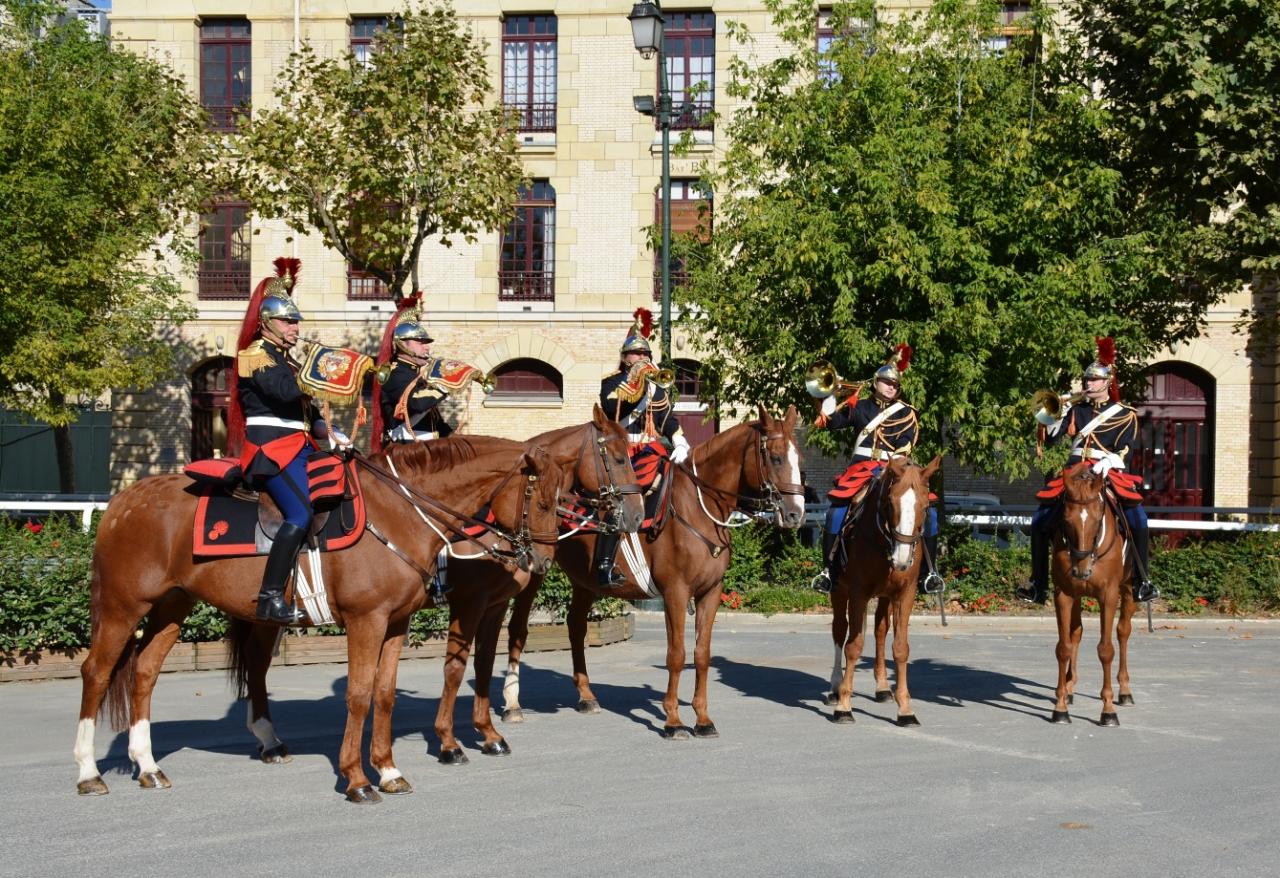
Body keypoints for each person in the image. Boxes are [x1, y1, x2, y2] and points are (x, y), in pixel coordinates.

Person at [1016, 337, 1156, 605]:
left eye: (1093, 380)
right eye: (1086, 380)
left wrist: (1107, 462)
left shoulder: (1125, 414)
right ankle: (1038, 584)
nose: (1088, 384)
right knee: (1039, 519)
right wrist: (1058, 415)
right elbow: (1051, 440)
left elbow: (1127, 449)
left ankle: (1142, 580)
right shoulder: (1076, 410)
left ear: (1107, 382)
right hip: (1075, 471)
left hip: (1106, 471)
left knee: (1138, 519)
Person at [228, 257, 330, 625]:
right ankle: (270, 597)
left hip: (300, 448)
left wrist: (333, 434)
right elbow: (286, 394)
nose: (295, 327)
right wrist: (320, 370)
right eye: (288, 321)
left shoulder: (286, 360)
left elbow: (306, 411)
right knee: (300, 512)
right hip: (271, 451)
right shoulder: (254, 356)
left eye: (296, 321)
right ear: (267, 323)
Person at [809, 345, 936, 593]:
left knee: (929, 512)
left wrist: (892, 468)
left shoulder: (907, 414)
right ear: (876, 383)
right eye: (887, 382)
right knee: (837, 509)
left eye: (895, 385)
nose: (891, 387)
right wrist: (830, 395)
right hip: (861, 469)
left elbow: (906, 444)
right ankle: (829, 570)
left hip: (894, 469)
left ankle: (928, 574)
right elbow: (833, 423)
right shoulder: (860, 407)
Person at [595, 308, 690, 586]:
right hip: (621, 452)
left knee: (678, 480)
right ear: (625, 358)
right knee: (619, 497)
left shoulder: (655, 387)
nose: (643, 358)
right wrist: (636, 379)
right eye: (637, 354)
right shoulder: (612, 382)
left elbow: (666, 418)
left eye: (646, 354)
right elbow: (613, 406)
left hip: (650, 449)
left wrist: (679, 439)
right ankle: (605, 563)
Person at [371, 295, 454, 451]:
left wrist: (455, 439)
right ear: (403, 344)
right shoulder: (393, 374)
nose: (426, 347)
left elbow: (434, 419)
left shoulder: (419, 374)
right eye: (420, 342)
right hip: (405, 454)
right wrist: (447, 383)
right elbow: (417, 402)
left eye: (426, 343)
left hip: (427, 451)